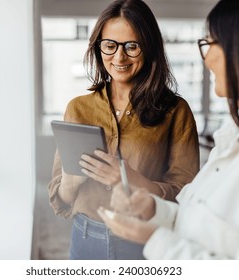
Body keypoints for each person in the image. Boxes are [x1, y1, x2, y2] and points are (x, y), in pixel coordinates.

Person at [98, 0, 239, 259]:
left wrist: (156, 240)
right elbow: (198, 218)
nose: (208, 59)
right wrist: (154, 209)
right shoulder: (233, 137)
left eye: (214, 42)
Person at [48, 0, 200, 260]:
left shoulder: (176, 111)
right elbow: (59, 201)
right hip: (84, 239)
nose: (119, 57)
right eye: (110, 46)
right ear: (98, 47)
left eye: (132, 46)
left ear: (149, 48)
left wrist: (129, 179)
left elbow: (187, 196)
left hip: (144, 242)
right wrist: (70, 185)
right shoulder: (78, 108)